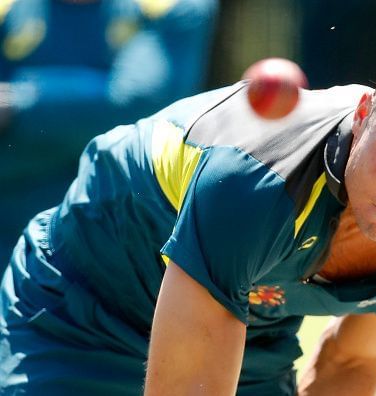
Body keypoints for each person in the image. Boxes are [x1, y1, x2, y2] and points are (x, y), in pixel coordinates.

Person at [0, 16, 376, 395]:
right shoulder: (252, 180)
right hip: (80, 308)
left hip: (244, 336)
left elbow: (351, 366)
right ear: (363, 115)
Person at [0, 0, 219, 264]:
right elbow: (118, 129)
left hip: (124, 245)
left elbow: (140, 107)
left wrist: (18, 107)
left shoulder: (170, 5)